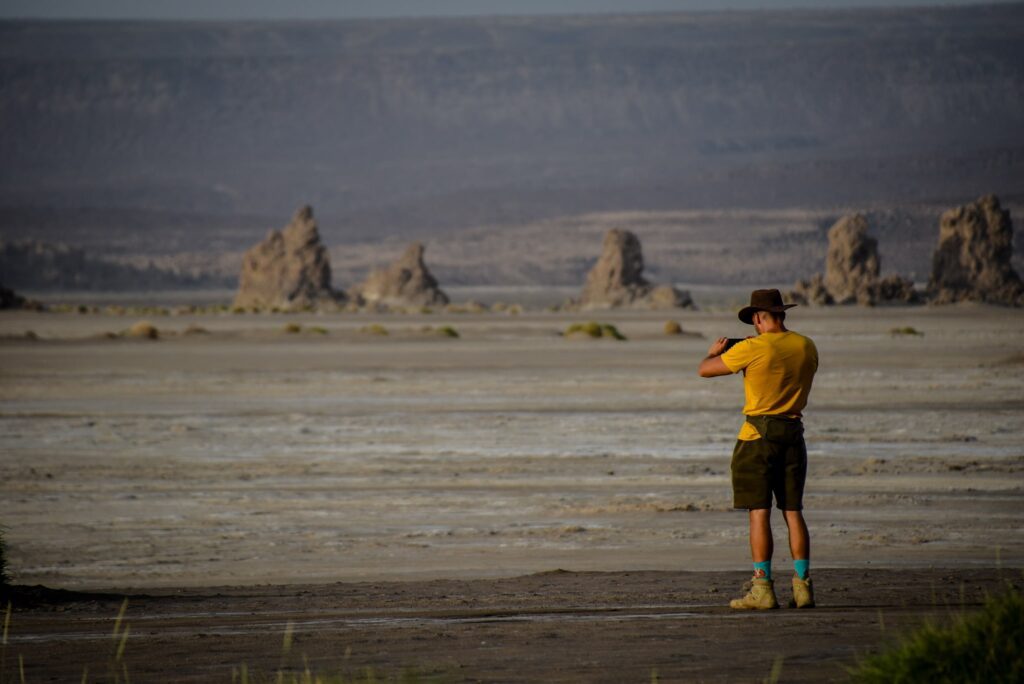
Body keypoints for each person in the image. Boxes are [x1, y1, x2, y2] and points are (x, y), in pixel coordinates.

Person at [698, 289, 818, 610]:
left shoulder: (753, 347)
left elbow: (705, 370)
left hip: (757, 436)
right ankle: (803, 586)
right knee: (793, 512)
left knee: (759, 513)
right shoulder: (807, 346)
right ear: (782, 314)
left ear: (757, 318)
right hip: (794, 433)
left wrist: (713, 352)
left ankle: (762, 587)